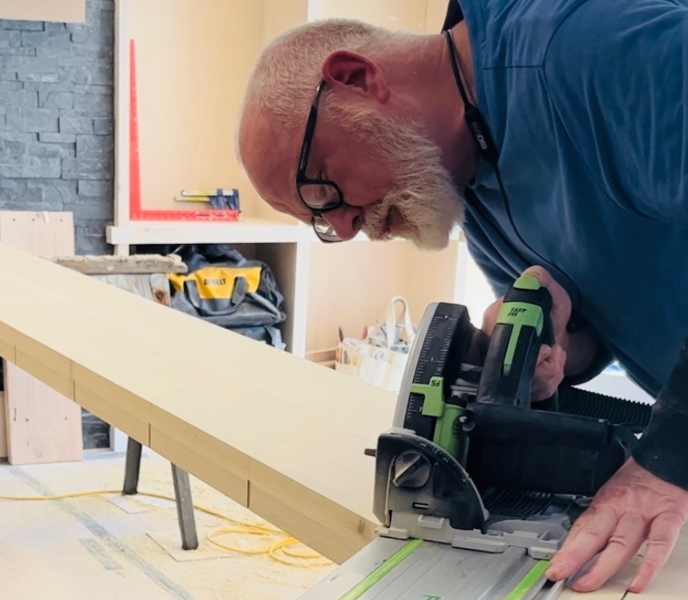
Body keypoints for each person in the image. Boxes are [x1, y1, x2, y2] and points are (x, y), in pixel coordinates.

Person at [235, 0, 688, 594]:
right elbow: (599, 332)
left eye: (321, 189)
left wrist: (667, 459)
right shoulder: (471, 189)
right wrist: (554, 354)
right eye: (319, 222)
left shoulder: (591, 53)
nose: (345, 228)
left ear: (356, 79)